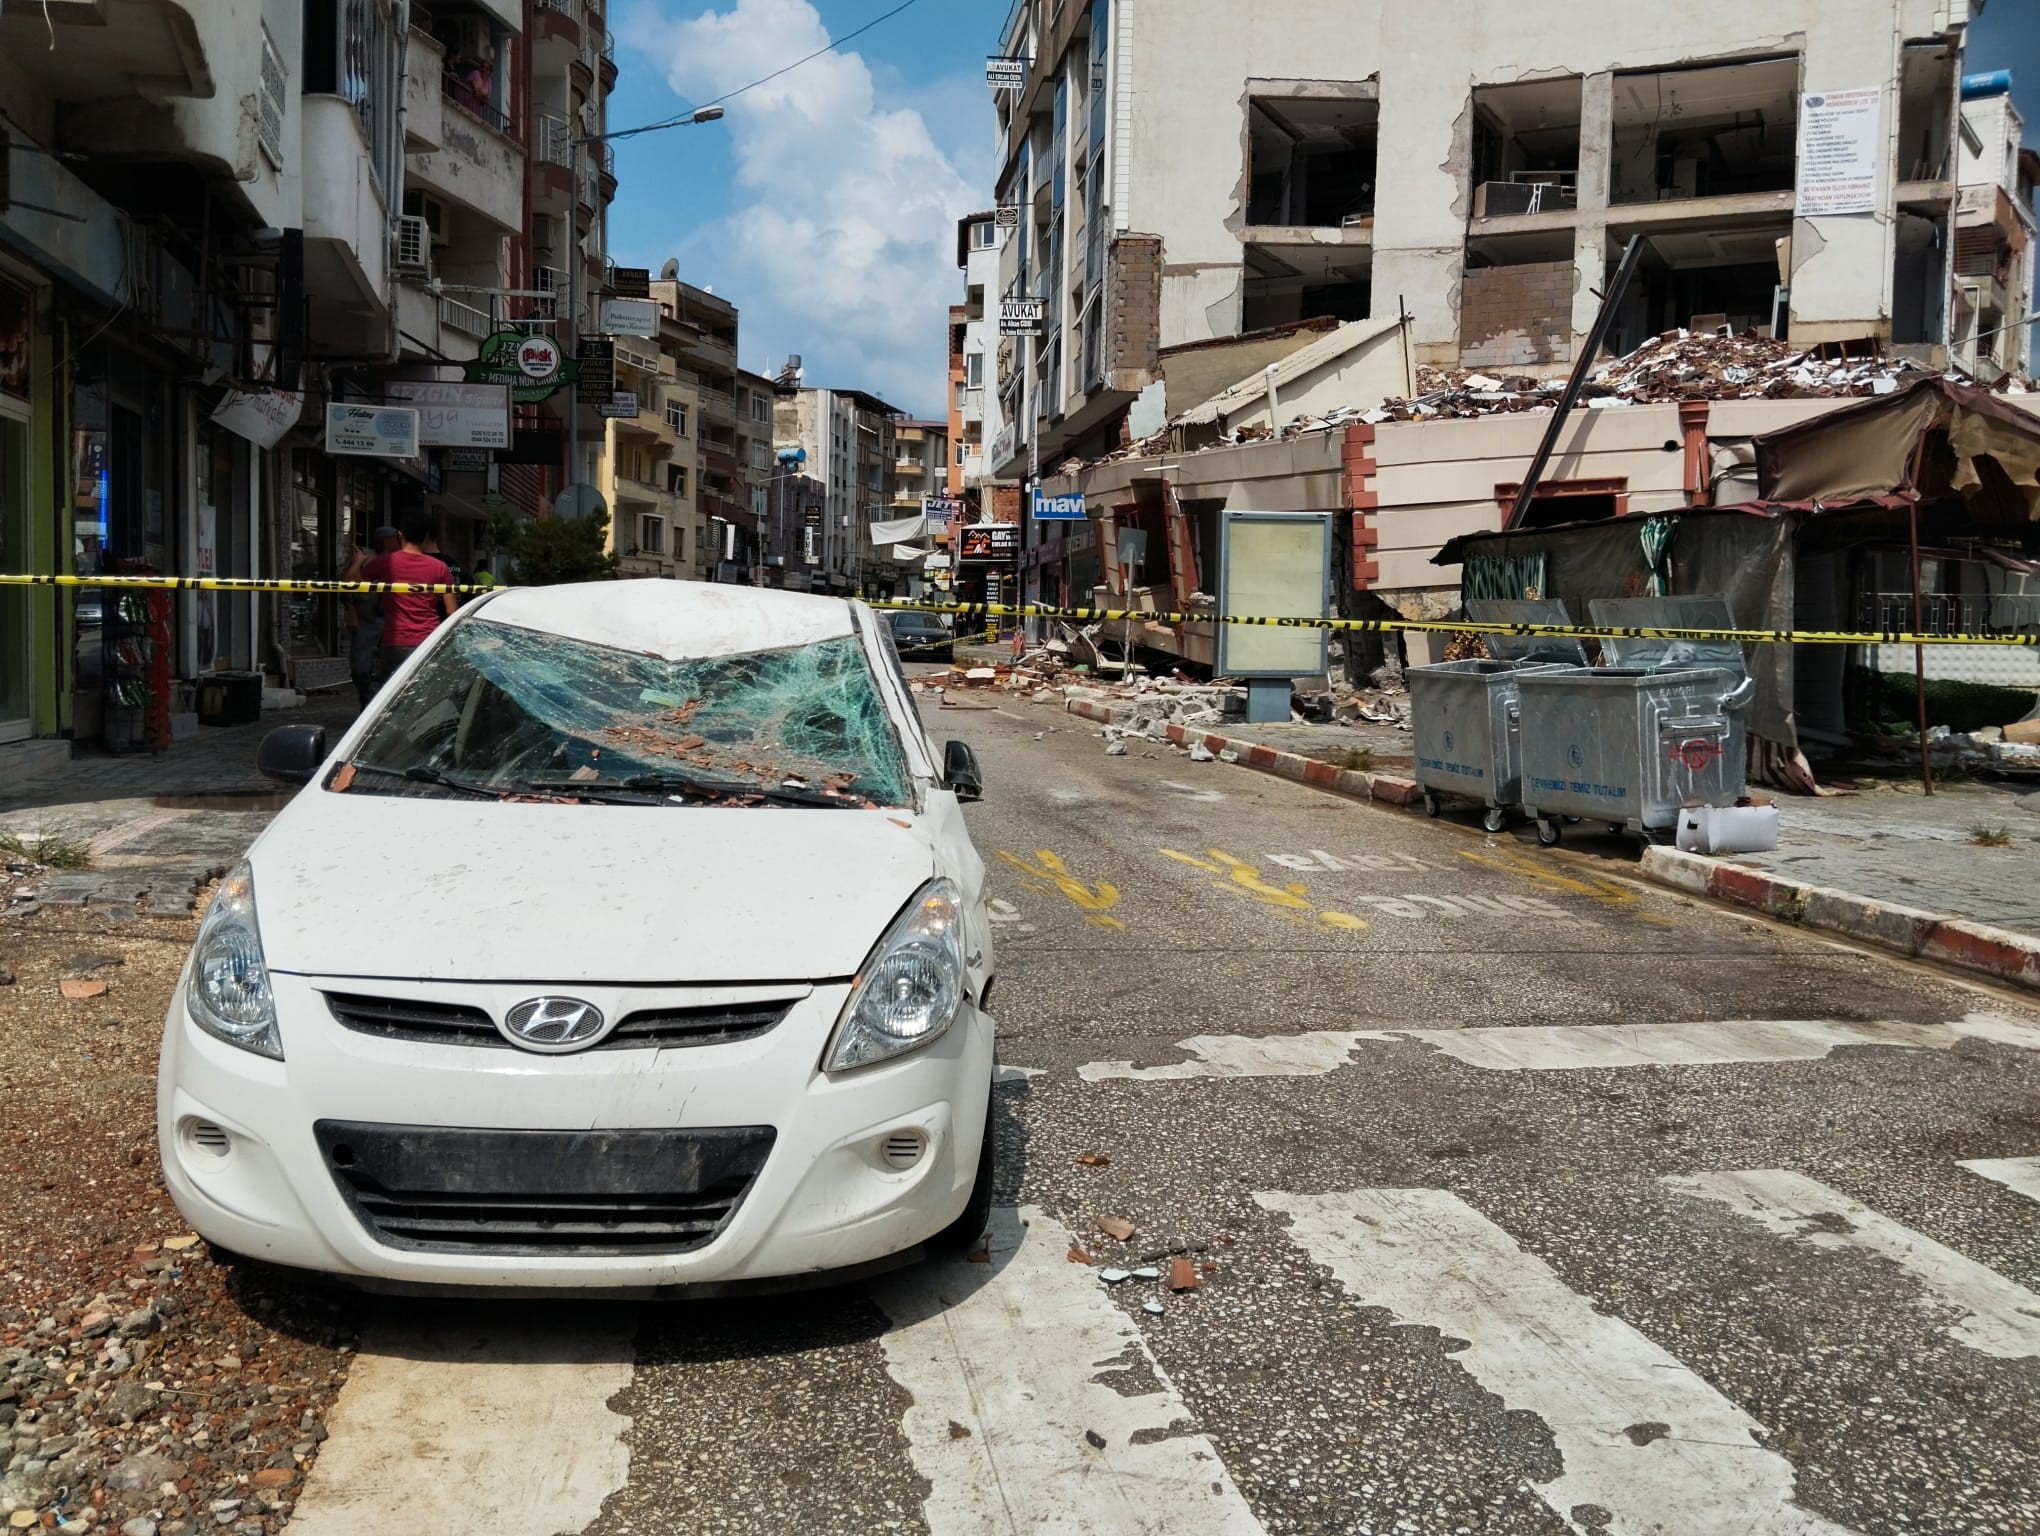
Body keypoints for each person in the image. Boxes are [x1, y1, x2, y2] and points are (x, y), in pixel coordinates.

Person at [363, 509, 458, 690]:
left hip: (395, 642)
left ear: (400, 535)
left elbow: (353, 583)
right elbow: (451, 611)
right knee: (423, 698)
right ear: (425, 538)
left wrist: (357, 561)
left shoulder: (385, 562)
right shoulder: (440, 568)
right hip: (428, 641)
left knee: (391, 698)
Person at [344, 525, 401, 708]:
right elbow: (347, 589)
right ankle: (366, 700)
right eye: (395, 538)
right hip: (366, 620)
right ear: (386, 541)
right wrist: (352, 615)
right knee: (360, 668)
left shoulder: (398, 560)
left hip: (390, 619)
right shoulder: (366, 560)